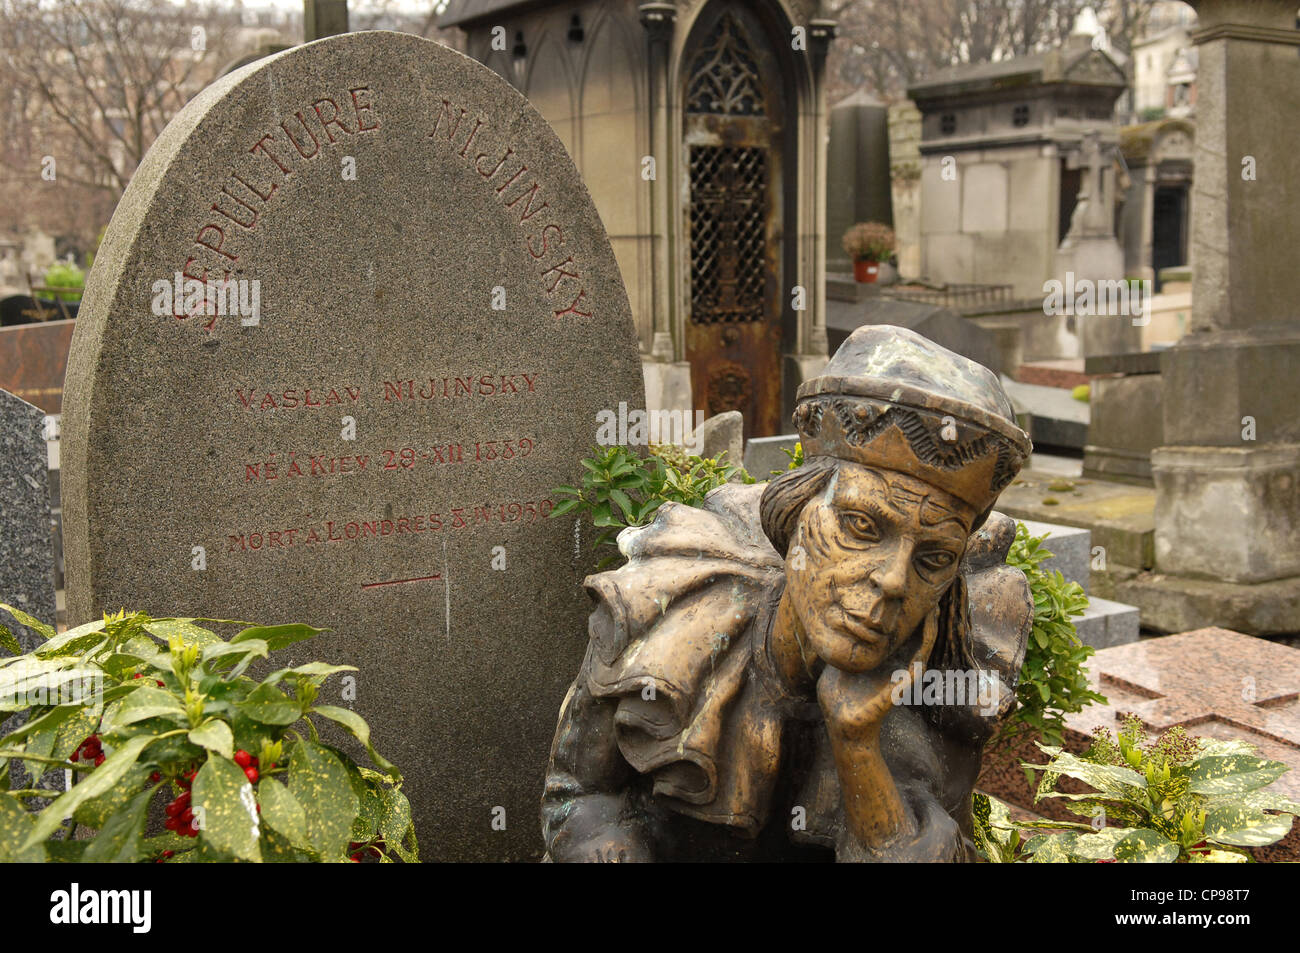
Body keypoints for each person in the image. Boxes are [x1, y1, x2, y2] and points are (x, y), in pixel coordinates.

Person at [542, 325, 1034, 862]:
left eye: (934, 558)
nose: (894, 581)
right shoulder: (670, 606)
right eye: (863, 527)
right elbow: (581, 795)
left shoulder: (942, 681)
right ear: (797, 513)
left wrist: (857, 745)